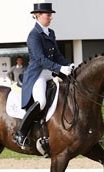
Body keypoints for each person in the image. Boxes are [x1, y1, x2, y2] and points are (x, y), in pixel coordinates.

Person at [13, 3, 74, 149]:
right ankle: (21, 133)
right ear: (38, 15)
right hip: (37, 74)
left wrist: (69, 65)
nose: (50, 17)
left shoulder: (50, 32)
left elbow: (57, 55)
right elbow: (40, 59)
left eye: (51, 15)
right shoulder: (33, 35)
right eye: (48, 15)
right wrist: (60, 68)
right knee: (41, 101)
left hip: (50, 71)